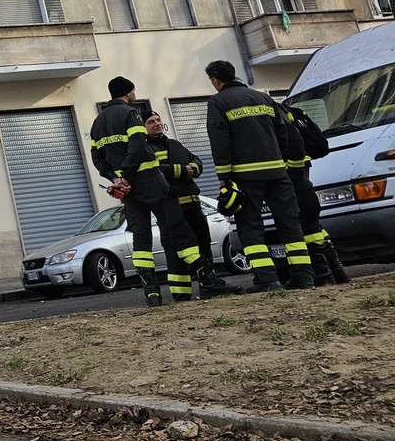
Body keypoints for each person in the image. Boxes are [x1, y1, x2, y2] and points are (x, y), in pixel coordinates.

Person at [92, 76, 231, 307]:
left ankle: (152, 293)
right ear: (128, 92)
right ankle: (208, 279)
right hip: (150, 182)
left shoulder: (97, 123)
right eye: (133, 91)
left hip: (130, 192)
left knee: (141, 239)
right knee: (179, 230)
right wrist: (125, 176)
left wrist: (116, 179)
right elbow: (137, 147)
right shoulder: (130, 113)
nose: (135, 94)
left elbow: (97, 158)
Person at [205, 61, 315, 292]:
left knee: (250, 226)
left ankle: (267, 280)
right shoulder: (264, 98)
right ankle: (304, 278)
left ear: (216, 80)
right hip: (277, 173)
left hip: (245, 176)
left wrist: (224, 176)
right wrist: (280, 161)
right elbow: (283, 132)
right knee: (290, 224)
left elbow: (220, 141)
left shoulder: (218, 102)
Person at [144, 112, 212, 301]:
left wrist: (193, 168)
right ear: (143, 128)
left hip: (194, 207)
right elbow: (155, 170)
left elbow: (197, 161)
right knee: (176, 252)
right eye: (151, 122)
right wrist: (182, 170)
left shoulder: (174, 144)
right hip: (172, 210)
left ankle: (209, 285)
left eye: (158, 120)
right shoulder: (145, 148)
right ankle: (181, 294)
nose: (157, 124)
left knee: (203, 246)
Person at [281, 102, 350, 284]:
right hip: (304, 179)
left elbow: (293, 144)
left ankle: (321, 274)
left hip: (294, 180)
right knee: (314, 227)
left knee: (305, 228)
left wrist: (292, 172)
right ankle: (337, 271)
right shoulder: (291, 113)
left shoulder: (279, 116)